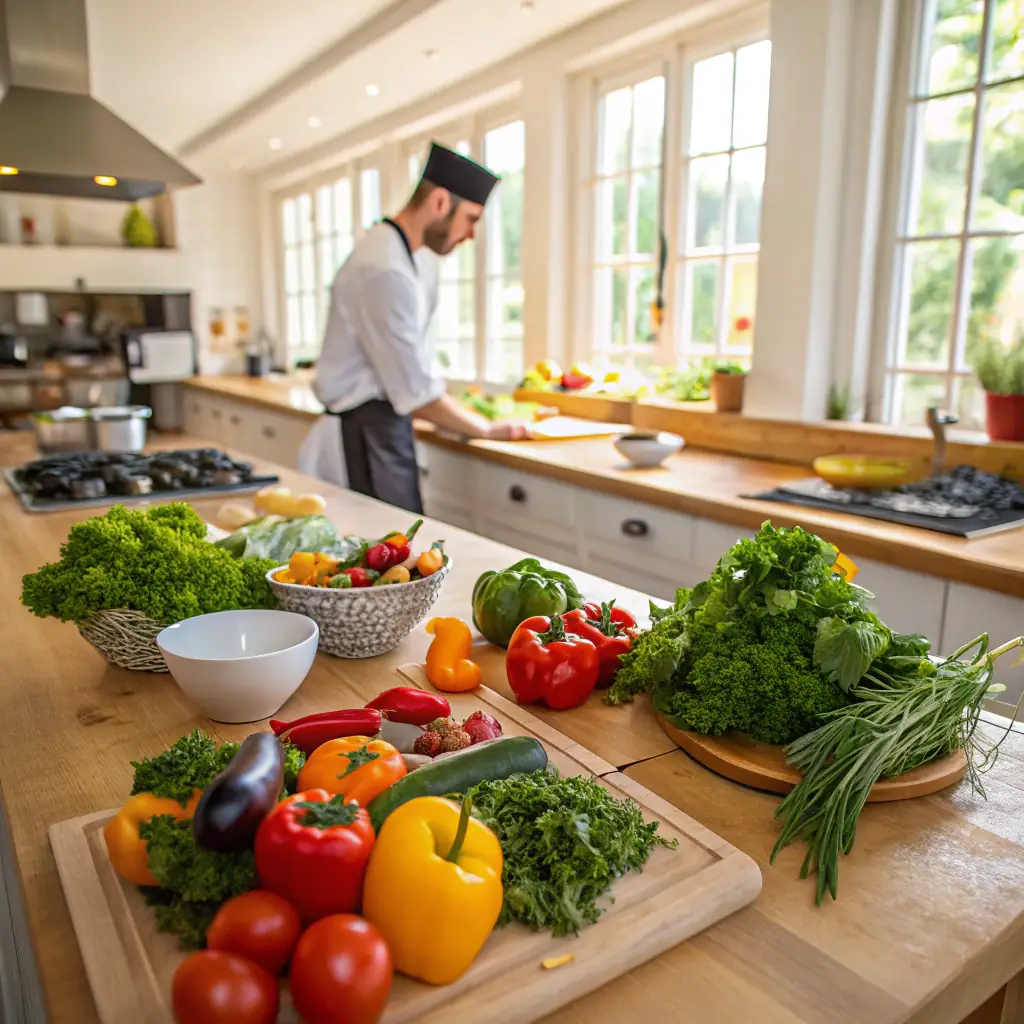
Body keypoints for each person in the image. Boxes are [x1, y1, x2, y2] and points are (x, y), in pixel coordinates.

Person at [312, 142, 532, 514]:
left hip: (383, 428)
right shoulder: (384, 270)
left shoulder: (408, 256)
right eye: (472, 219)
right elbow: (415, 391)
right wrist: (487, 429)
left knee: (403, 560)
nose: (472, 235)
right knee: (390, 562)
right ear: (441, 202)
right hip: (363, 439)